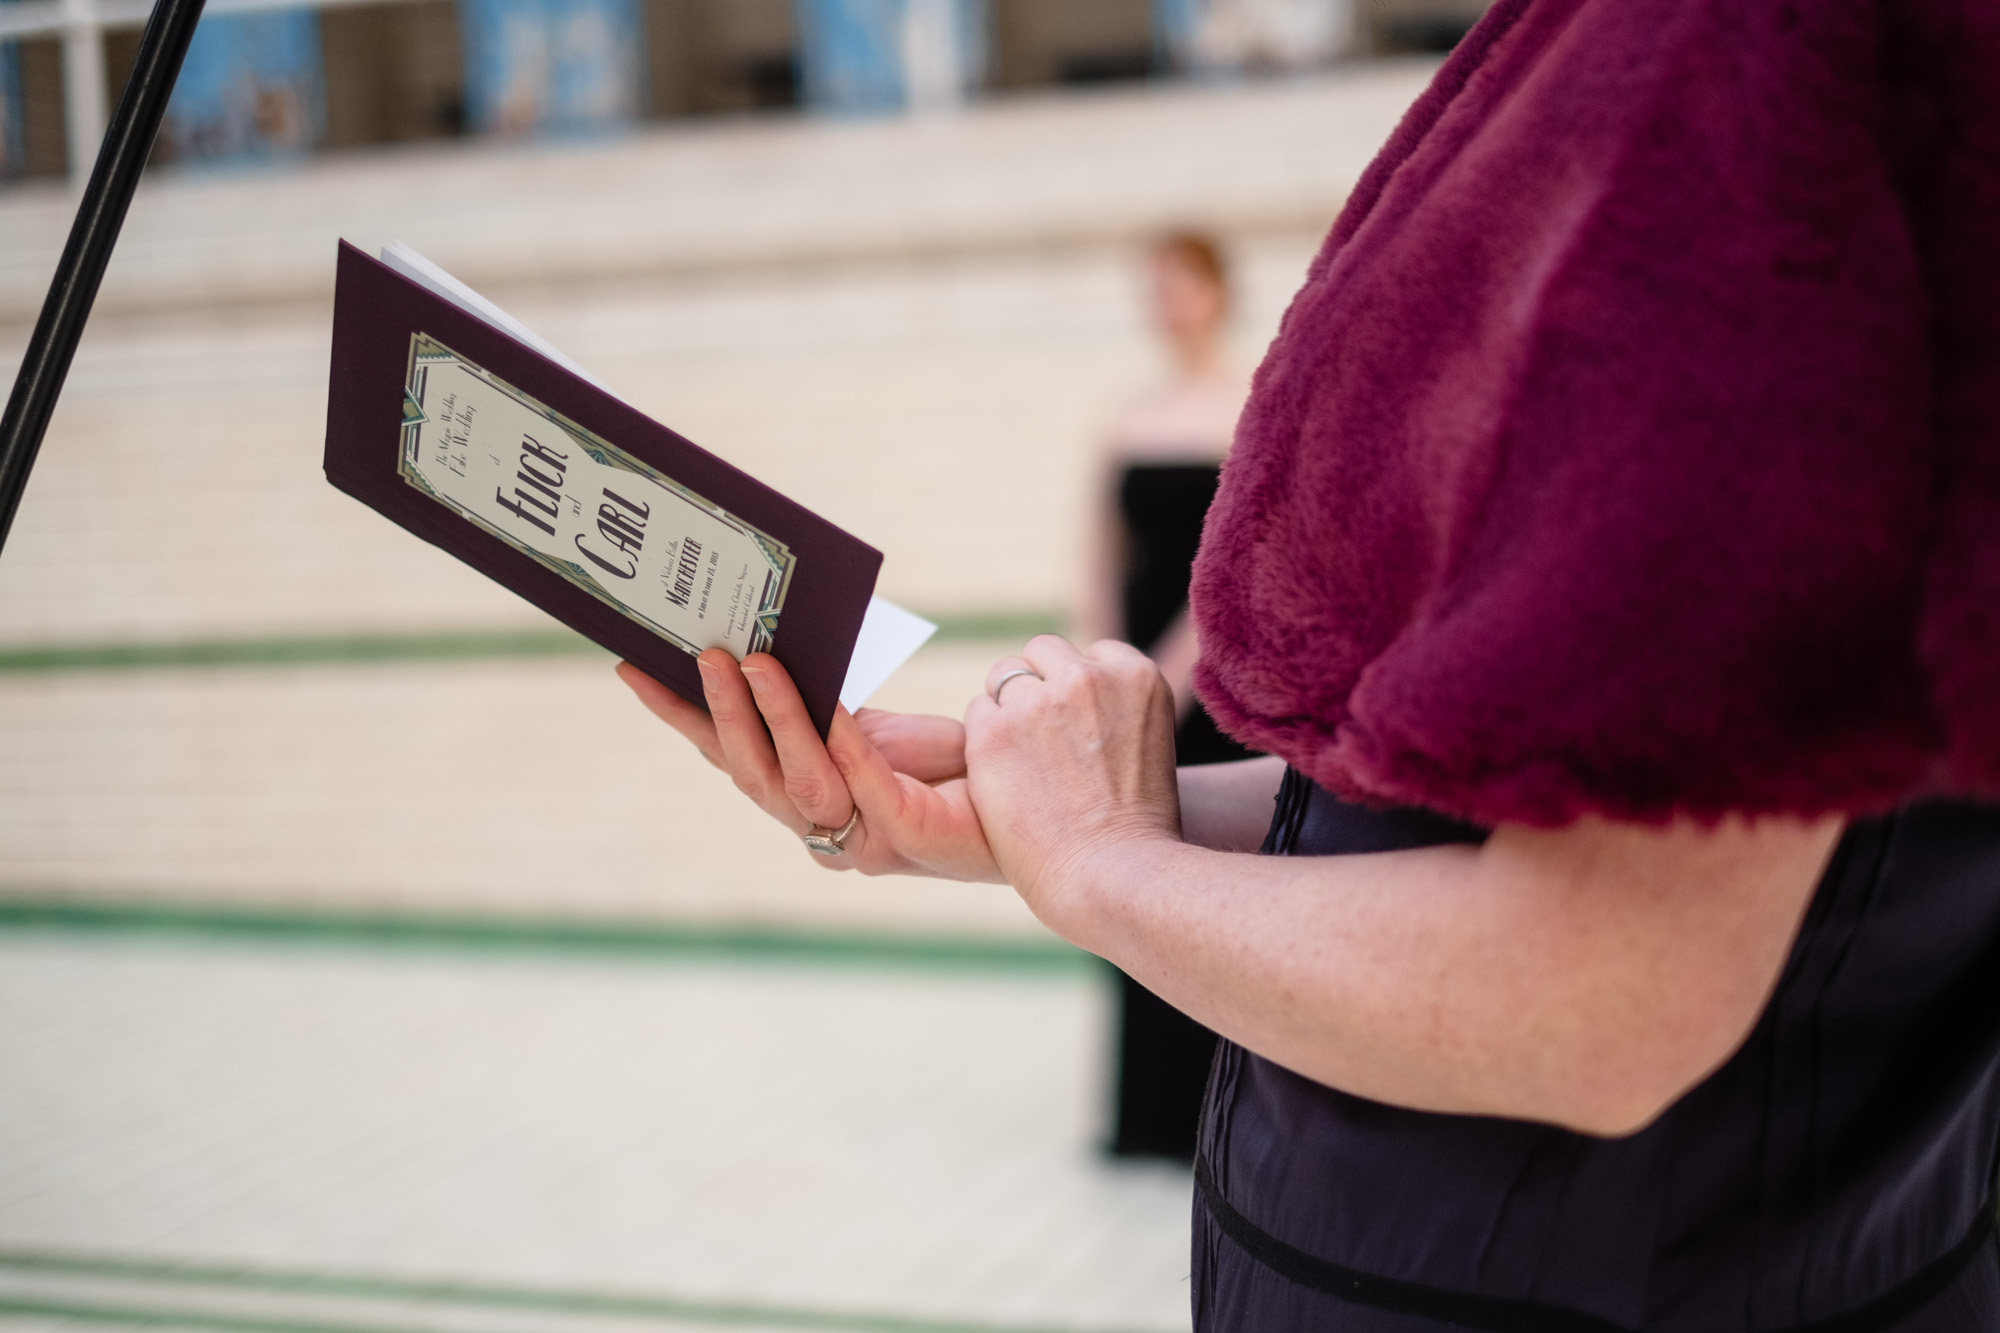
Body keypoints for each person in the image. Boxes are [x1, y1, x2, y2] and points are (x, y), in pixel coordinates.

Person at [618, 0, 2000, 1327]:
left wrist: (1105, 864)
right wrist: (1014, 813)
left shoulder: (1778, 74)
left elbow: (1604, 988)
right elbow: (1477, 823)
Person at [1081, 231, 1254, 1161]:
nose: (1166, 299)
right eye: (1155, 284)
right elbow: (1101, 559)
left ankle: (1215, 1112)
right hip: (1138, 664)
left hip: (1215, 676)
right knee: (1132, 852)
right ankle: (1145, 1116)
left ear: (1218, 291)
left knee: (1205, 867)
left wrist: (1171, 672)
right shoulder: (1126, 414)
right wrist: (1105, 665)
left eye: (1181, 281)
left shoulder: (1246, 403)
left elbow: (1232, 563)